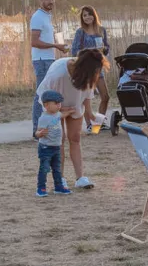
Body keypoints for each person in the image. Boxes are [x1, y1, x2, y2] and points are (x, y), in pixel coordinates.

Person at [36, 48, 107, 190]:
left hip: (74, 104)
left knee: (75, 138)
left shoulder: (88, 73)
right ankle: (59, 179)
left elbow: (86, 95)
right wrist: (62, 110)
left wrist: (91, 115)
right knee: (59, 140)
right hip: (53, 105)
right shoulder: (58, 74)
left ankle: (80, 178)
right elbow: (46, 99)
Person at [29, 0, 69, 139]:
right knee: (41, 94)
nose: (51, 2)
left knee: (48, 95)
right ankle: (36, 131)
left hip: (49, 59)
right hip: (41, 60)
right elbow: (34, 42)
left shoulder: (47, 17)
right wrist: (55, 46)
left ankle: (45, 128)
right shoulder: (37, 17)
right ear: (41, 0)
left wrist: (58, 46)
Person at [71, 5, 113, 126]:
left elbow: (107, 48)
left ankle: (98, 124)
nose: (87, 17)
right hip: (85, 69)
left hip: (98, 68)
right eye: (84, 15)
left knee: (105, 97)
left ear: (94, 15)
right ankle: (89, 125)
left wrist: (104, 49)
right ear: (82, 18)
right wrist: (91, 51)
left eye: (89, 14)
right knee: (86, 99)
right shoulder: (80, 32)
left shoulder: (101, 30)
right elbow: (74, 51)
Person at [34, 90, 71, 197]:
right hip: (46, 148)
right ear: (46, 105)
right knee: (44, 169)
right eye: (56, 103)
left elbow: (62, 115)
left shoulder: (56, 114)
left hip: (56, 147)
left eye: (59, 103)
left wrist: (70, 111)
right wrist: (40, 133)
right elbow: (36, 132)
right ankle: (41, 188)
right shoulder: (44, 118)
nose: (59, 105)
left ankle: (58, 187)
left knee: (57, 169)